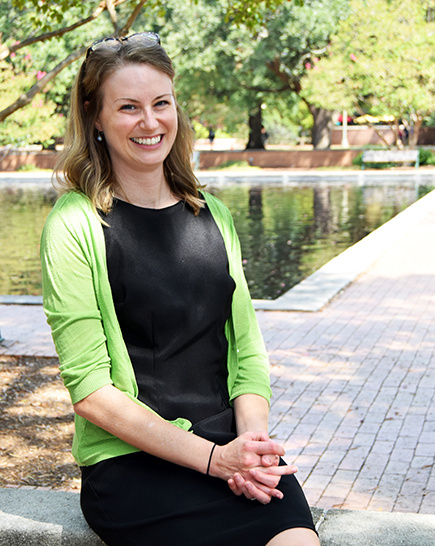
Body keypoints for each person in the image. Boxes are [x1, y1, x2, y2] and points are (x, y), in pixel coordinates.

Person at [40, 32, 319, 546]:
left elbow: (248, 353)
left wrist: (251, 445)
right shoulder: (73, 224)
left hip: (230, 443)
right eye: (128, 107)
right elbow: (92, 394)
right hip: (133, 465)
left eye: (160, 103)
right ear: (95, 118)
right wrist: (214, 461)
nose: (150, 122)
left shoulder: (213, 215)